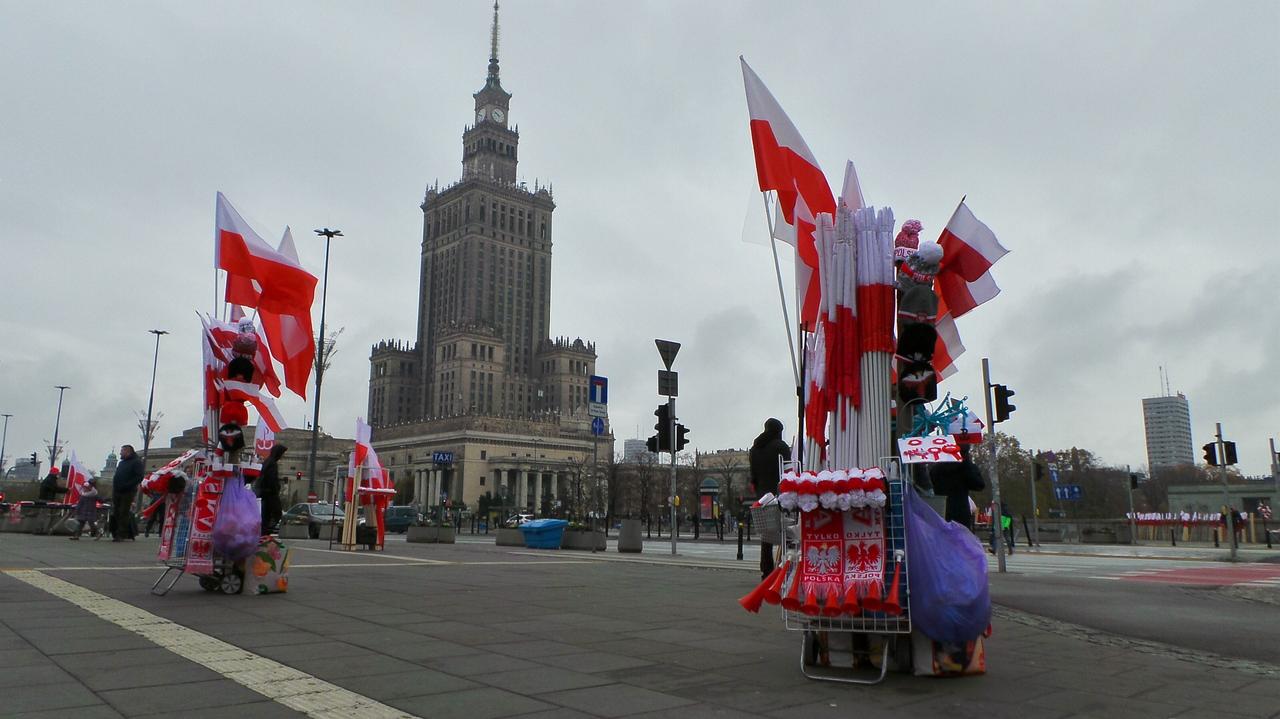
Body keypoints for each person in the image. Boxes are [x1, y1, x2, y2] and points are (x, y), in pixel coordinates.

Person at [748, 417, 791, 579]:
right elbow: (789, 470)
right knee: (787, 531)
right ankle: (786, 566)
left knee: (766, 535)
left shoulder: (755, 449)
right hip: (781, 494)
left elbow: (753, 476)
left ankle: (766, 570)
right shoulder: (781, 446)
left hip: (763, 497)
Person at [927, 444, 985, 530]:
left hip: (940, 512)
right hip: (961, 513)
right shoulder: (966, 468)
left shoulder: (936, 469)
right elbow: (979, 485)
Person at [111, 444, 144, 542]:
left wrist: (128, 485)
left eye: (122, 451)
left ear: (128, 452)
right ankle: (117, 531)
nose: (120, 453)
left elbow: (139, 477)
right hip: (117, 490)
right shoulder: (121, 463)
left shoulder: (136, 462)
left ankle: (121, 534)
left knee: (123, 512)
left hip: (128, 491)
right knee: (116, 511)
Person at [254, 444, 287, 535]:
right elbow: (271, 479)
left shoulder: (267, 462)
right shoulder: (272, 464)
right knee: (276, 513)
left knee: (266, 515)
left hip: (264, 493)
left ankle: (264, 532)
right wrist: (276, 488)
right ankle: (266, 531)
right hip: (270, 494)